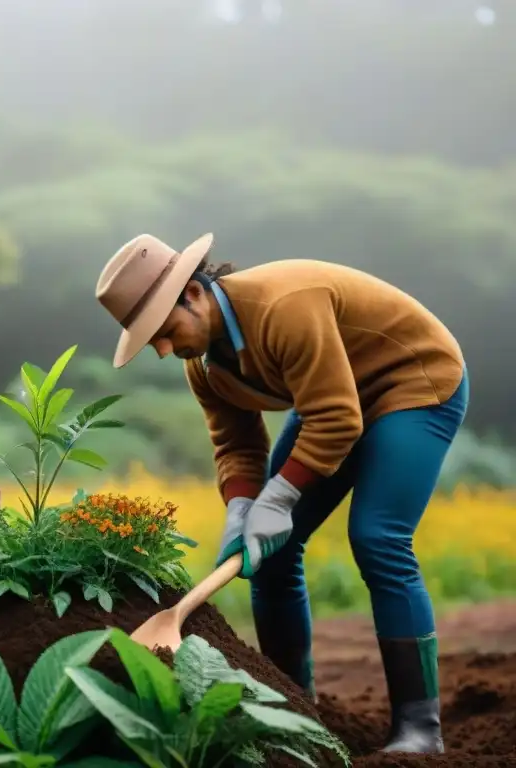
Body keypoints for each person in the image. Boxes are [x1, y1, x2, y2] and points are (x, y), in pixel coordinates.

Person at [95, 233, 468, 755]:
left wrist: (279, 498)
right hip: (334, 398)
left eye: (163, 330)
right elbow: (236, 443)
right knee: (269, 555)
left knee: (377, 536)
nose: (162, 349)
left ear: (195, 294)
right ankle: (297, 715)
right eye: (149, 339)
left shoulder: (282, 306)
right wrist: (243, 507)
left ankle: (419, 729)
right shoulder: (201, 363)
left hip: (413, 380)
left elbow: (337, 418)